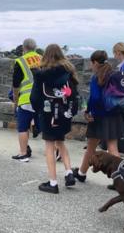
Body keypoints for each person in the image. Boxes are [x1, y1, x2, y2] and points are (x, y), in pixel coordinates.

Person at [30, 44, 79, 194]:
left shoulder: (41, 74)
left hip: (48, 113)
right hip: (64, 113)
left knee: (50, 147)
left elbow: (35, 97)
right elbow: (74, 94)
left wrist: (37, 113)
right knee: (61, 142)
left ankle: (52, 183)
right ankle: (69, 172)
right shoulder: (69, 72)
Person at [73, 50, 124, 186]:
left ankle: (81, 174)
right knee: (113, 148)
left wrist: (88, 111)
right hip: (114, 115)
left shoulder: (96, 77)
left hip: (99, 116)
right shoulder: (115, 74)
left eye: (92, 63)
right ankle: (119, 180)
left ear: (95, 62)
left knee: (91, 147)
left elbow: (95, 97)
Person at [11, 38, 42, 162]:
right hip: (42, 98)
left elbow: (16, 84)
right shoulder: (42, 58)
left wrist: (15, 100)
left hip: (26, 99)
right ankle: (57, 150)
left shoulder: (21, 61)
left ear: (24, 48)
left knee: (22, 127)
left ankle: (23, 153)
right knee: (47, 128)